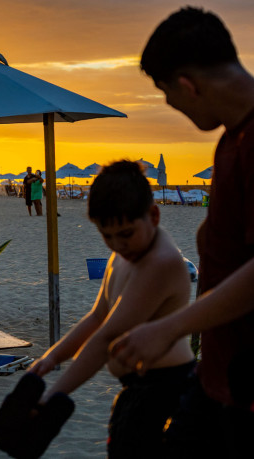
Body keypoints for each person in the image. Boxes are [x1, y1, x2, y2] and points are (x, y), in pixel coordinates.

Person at [110, 7, 254, 455]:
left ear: (187, 84)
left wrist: (168, 327)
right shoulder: (231, 140)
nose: (170, 105)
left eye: (166, 93)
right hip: (218, 373)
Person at [28, 161, 195, 457]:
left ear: (153, 215)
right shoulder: (124, 253)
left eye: (126, 233)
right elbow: (97, 317)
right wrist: (52, 357)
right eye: (107, 236)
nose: (118, 244)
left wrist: (53, 395)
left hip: (166, 390)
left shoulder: (161, 262)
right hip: (135, 389)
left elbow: (107, 338)